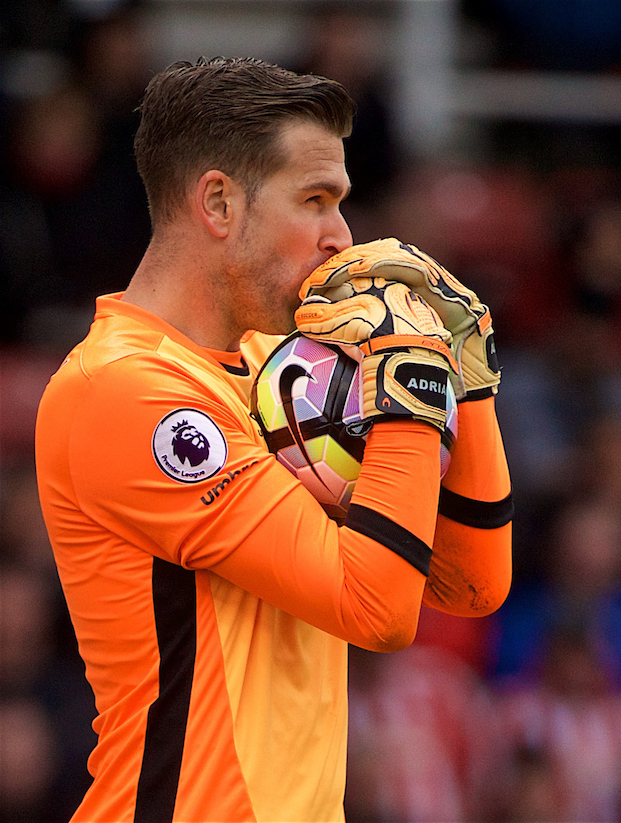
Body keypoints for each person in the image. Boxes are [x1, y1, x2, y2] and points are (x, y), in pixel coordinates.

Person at [34, 57, 512, 823]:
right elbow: (378, 610)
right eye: (315, 201)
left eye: (342, 203)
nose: (342, 237)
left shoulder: (282, 369)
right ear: (219, 203)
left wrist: (468, 372)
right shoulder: (125, 390)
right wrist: (414, 382)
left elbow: (471, 585)